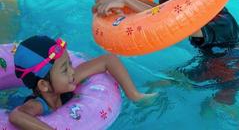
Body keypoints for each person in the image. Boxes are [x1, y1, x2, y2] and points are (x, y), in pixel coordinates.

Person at [93, 0, 239, 106]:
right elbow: (165, 12)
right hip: (220, 61)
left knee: (215, 104)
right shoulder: (211, 10)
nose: (168, 9)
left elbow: (169, 18)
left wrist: (126, 1)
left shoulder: (220, 25)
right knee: (167, 79)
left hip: (231, 70)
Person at [9, 35, 156, 129]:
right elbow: (16, 116)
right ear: (44, 85)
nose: (72, 71)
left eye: (70, 64)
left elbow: (108, 60)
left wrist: (134, 95)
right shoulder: (37, 105)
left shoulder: (68, 81)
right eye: (64, 70)